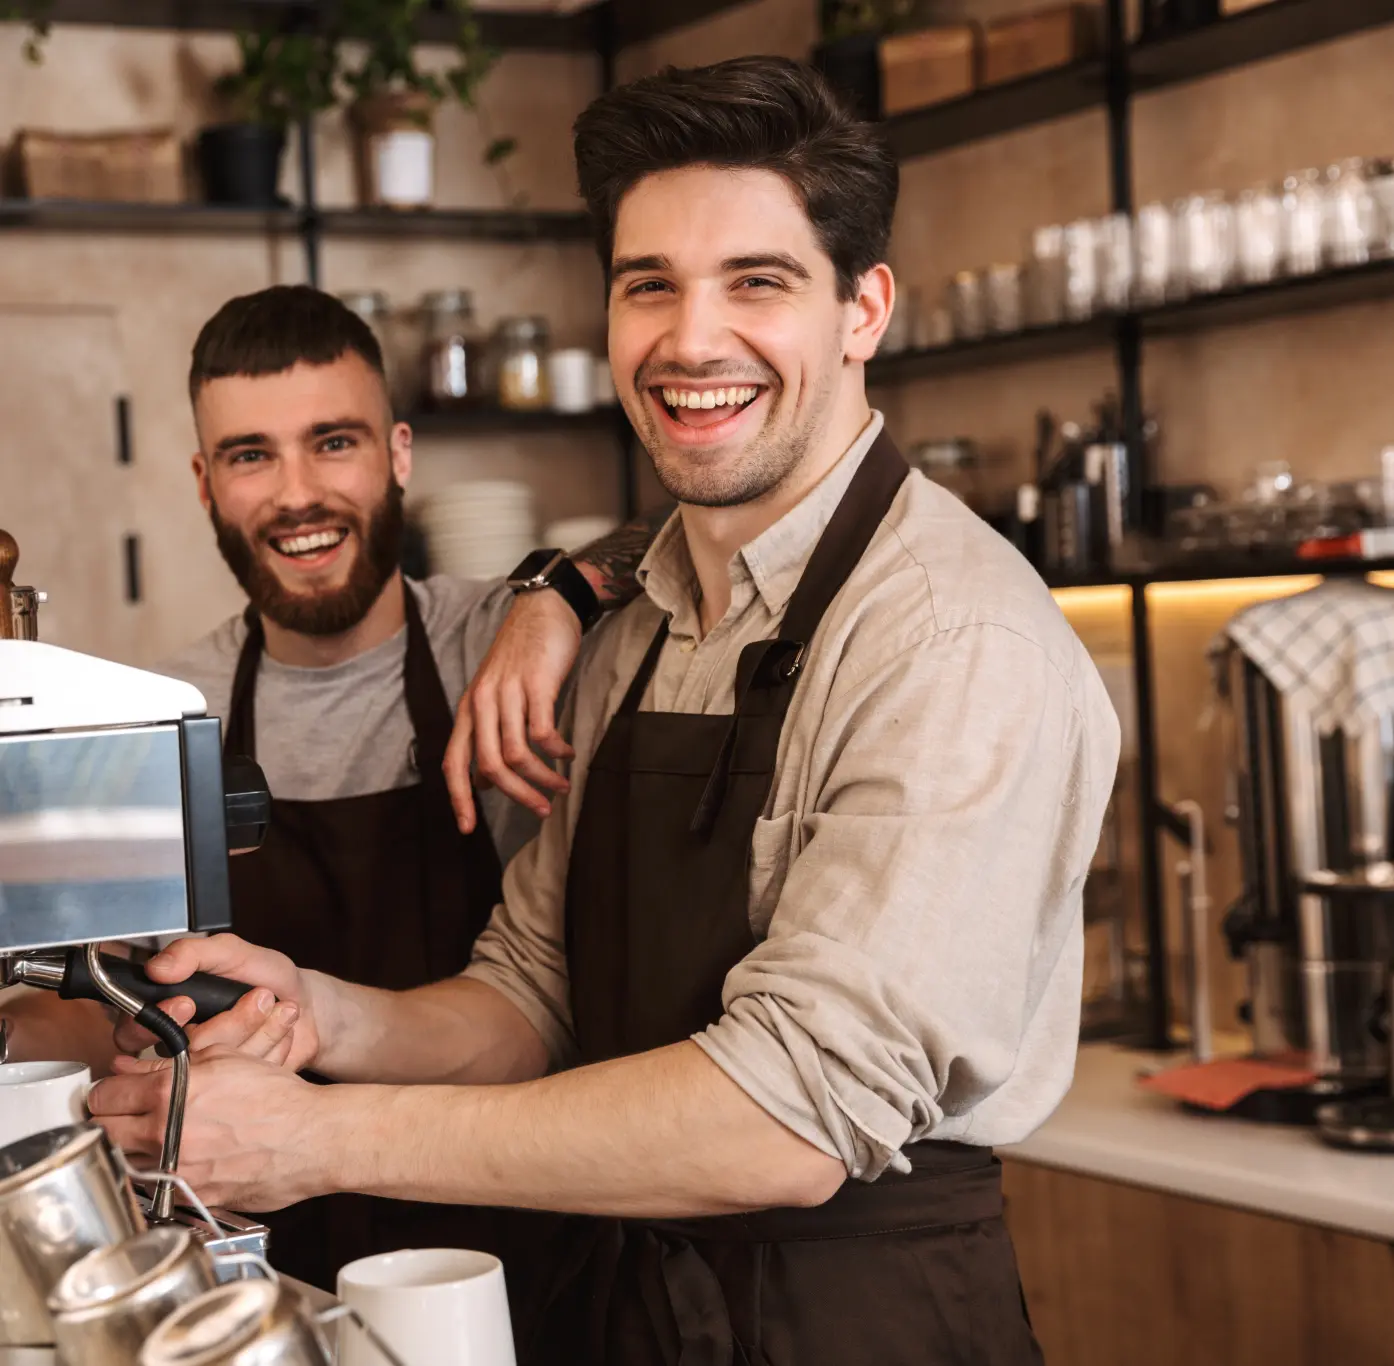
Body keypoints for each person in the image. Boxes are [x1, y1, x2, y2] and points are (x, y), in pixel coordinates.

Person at [91, 59, 1121, 1364]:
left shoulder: (952, 640)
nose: (690, 341)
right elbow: (534, 992)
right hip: (623, 1312)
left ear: (863, 307)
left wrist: (308, 1133)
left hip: (852, 1325)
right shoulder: (630, 620)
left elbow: (789, 1117)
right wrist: (317, 1011)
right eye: (650, 286)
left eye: (756, 281)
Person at [4, 285, 658, 1289]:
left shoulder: (500, 643)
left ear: (399, 453)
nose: (296, 493)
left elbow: (677, 533)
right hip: (274, 1251)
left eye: (333, 442)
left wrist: (557, 594)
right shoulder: (173, 710)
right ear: (203, 482)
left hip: (522, 1229)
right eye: (250, 455)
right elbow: (114, 999)